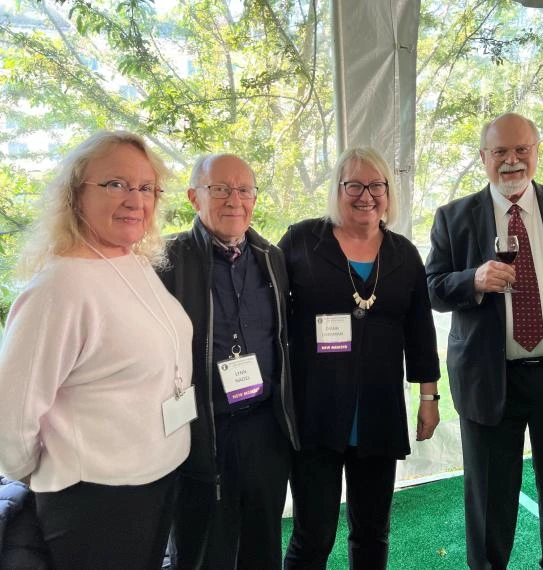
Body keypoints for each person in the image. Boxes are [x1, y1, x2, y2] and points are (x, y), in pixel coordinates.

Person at [0, 130, 194, 569]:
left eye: (146, 188)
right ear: (75, 195)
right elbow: (11, 420)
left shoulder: (133, 262)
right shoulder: (60, 286)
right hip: (95, 497)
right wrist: (55, 470)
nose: (134, 199)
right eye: (116, 184)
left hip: (156, 477)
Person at [426, 113, 543, 570]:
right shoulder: (454, 217)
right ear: (483, 158)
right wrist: (473, 279)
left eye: (522, 149)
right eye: (500, 152)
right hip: (489, 379)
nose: (512, 161)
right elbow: (431, 288)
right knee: (488, 502)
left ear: (537, 152)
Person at [280, 147, 440, 569]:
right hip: (315, 411)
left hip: (378, 413)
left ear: (388, 192)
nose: (365, 195)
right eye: (354, 184)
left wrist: (429, 398)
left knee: (372, 531)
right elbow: (270, 314)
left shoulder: (404, 253)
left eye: (376, 185)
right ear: (338, 189)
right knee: (313, 534)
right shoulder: (302, 240)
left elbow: (421, 331)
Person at [158, 153, 298, 569]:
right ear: (193, 197)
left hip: (263, 430)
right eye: (220, 189)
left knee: (263, 547)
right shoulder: (166, 260)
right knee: (204, 551)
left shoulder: (270, 259)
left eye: (244, 190)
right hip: (202, 431)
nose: (234, 200)